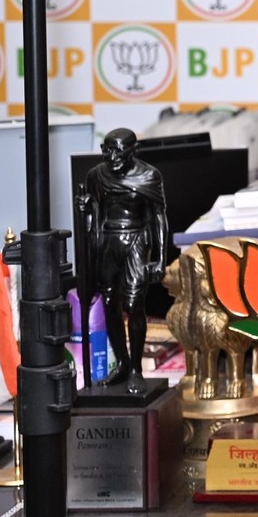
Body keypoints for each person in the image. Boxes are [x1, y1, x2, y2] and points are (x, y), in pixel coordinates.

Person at [74, 128, 170, 393]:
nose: (112, 157)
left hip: (136, 240)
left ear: (133, 151)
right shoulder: (96, 175)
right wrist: (84, 208)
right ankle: (123, 364)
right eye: (107, 150)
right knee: (109, 303)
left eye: (118, 151)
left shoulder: (149, 175)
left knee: (134, 304)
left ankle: (137, 369)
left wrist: (160, 258)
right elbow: (93, 213)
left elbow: (159, 217)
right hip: (107, 241)